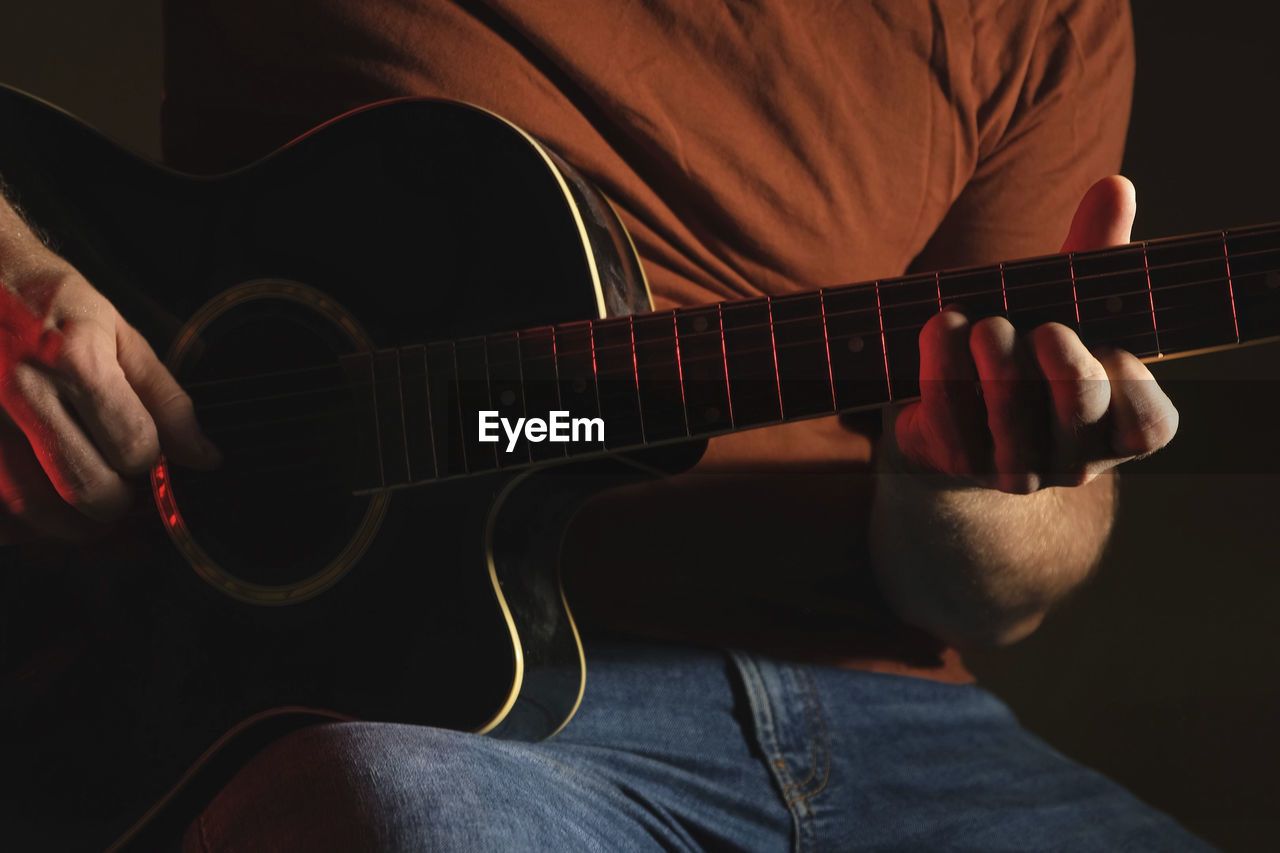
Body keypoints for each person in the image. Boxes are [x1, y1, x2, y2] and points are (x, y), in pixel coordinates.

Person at [0, 0, 1209, 849]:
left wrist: (961, 475)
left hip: (899, 717)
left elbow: (994, 594)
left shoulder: (1042, 19)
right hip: (405, 705)